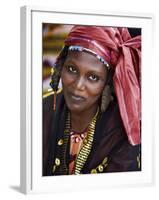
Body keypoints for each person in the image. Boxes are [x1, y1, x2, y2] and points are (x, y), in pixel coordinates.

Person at [43, 25, 141, 176]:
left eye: (93, 77)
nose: (78, 85)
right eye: (72, 69)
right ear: (60, 66)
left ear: (107, 83)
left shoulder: (122, 130)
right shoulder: (41, 113)